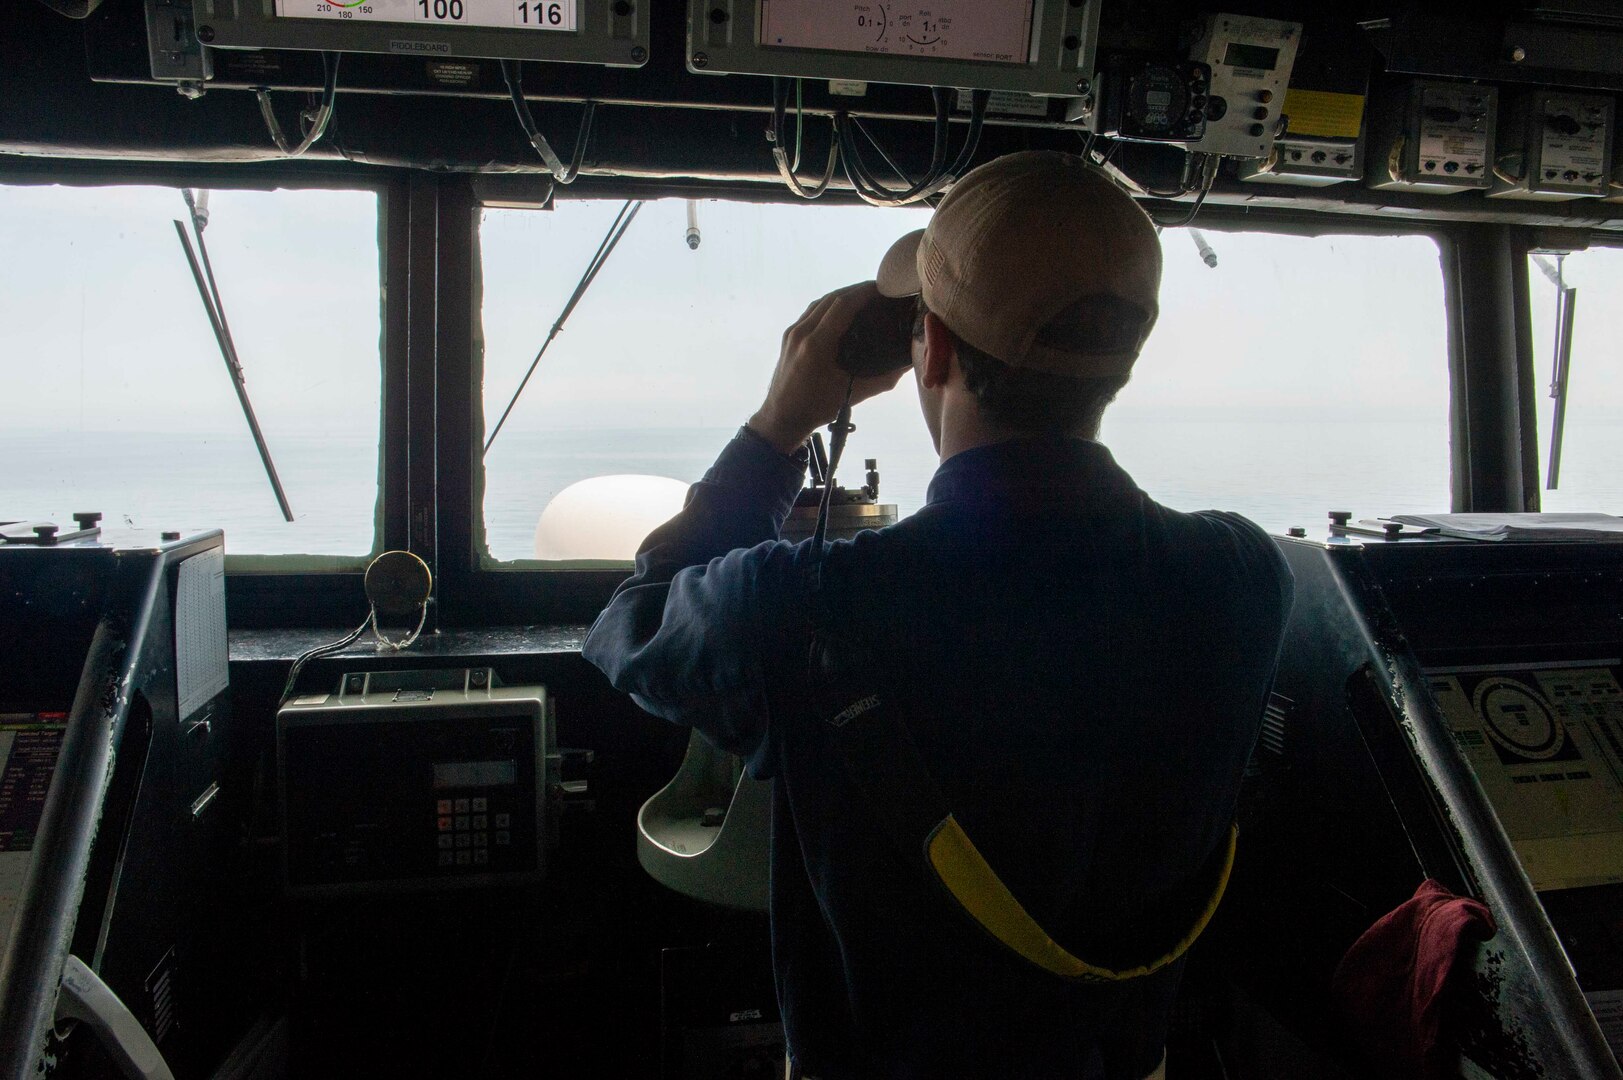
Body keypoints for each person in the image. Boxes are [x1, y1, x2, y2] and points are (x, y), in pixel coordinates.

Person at [582, 151, 1294, 1080]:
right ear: (1120, 361)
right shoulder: (1241, 576)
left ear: (936, 350)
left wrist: (774, 430)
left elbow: (628, 624)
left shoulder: (801, 603)